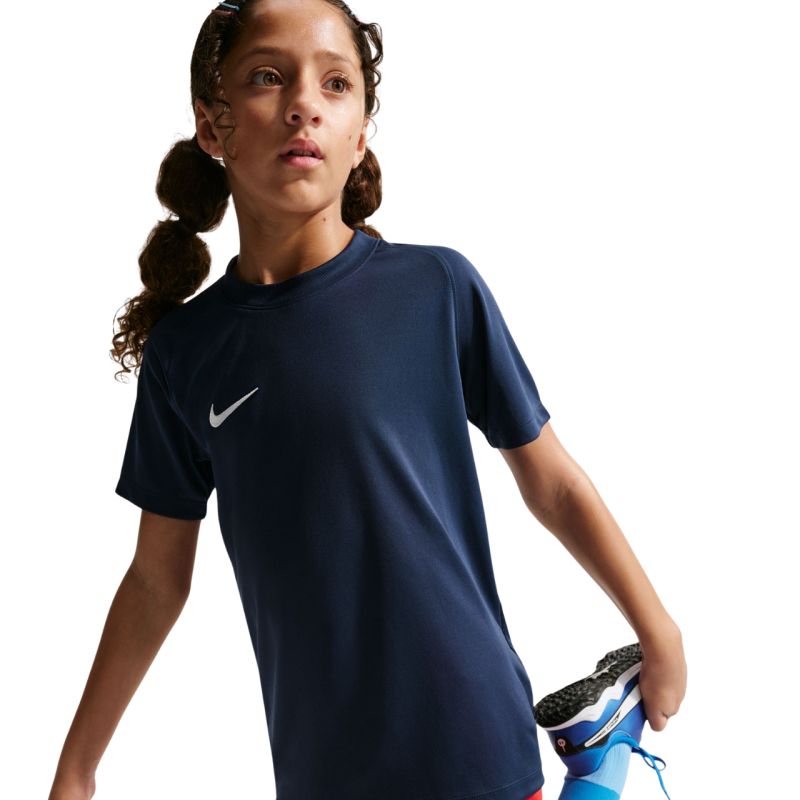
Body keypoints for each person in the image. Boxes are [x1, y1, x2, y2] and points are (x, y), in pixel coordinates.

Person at [48, 1, 687, 798]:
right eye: (267, 77)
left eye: (335, 83)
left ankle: (605, 753)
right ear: (212, 126)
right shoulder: (187, 353)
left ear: (359, 136)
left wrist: (656, 627)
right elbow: (155, 579)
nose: (303, 104)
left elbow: (550, 481)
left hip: (474, 740)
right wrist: (78, 766)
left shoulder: (436, 288)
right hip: (322, 771)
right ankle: (601, 752)